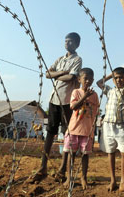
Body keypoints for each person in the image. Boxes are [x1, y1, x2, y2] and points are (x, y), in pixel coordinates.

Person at [31, 32, 82, 183]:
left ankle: (62, 169)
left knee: (67, 135)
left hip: (67, 101)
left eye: (71, 42)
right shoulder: (60, 59)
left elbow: (71, 77)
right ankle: (43, 167)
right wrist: (60, 73)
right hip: (54, 99)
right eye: (66, 41)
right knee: (50, 133)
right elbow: (48, 74)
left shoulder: (77, 59)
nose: (67, 44)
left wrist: (56, 75)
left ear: (77, 44)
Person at [97, 66, 124, 193]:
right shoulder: (109, 90)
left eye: (121, 77)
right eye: (116, 78)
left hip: (123, 125)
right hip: (108, 125)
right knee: (111, 152)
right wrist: (111, 75)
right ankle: (113, 180)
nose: (118, 80)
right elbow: (99, 83)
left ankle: (123, 182)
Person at [63, 68, 99, 189]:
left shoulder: (94, 95)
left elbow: (95, 113)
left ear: (93, 80)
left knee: (85, 156)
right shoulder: (76, 92)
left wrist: (92, 130)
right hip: (74, 129)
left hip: (87, 131)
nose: (88, 81)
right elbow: (73, 107)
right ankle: (69, 177)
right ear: (79, 79)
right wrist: (85, 97)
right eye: (85, 78)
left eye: (90, 79)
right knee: (71, 155)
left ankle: (83, 177)